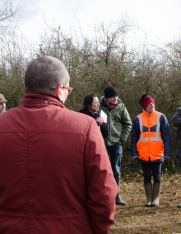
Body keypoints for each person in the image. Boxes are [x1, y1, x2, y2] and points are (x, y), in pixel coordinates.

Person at [0, 56, 118, 234]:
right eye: (68, 89)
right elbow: (104, 193)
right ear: (59, 90)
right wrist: (97, 229)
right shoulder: (85, 127)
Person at [131, 94, 172, 207]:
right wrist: (134, 153)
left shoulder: (161, 117)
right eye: (149, 104)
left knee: (157, 176)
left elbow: (167, 137)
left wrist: (167, 153)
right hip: (143, 153)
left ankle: (156, 198)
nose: (152, 106)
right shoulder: (138, 119)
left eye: (153, 103)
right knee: (147, 176)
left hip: (157, 153)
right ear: (144, 106)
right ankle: (149, 198)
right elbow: (134, 138)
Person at [99, 86, 132, 206]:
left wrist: (122, 140)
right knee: (101, 170)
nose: (115, 98)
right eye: (113, 96)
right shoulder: (99, 106)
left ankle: (117, 197)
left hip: (116, 143)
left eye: (116, 96)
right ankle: (104, 197)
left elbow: (128, 124)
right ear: (107, 98)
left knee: (116, 170)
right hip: (102, 142)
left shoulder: (121, 106)